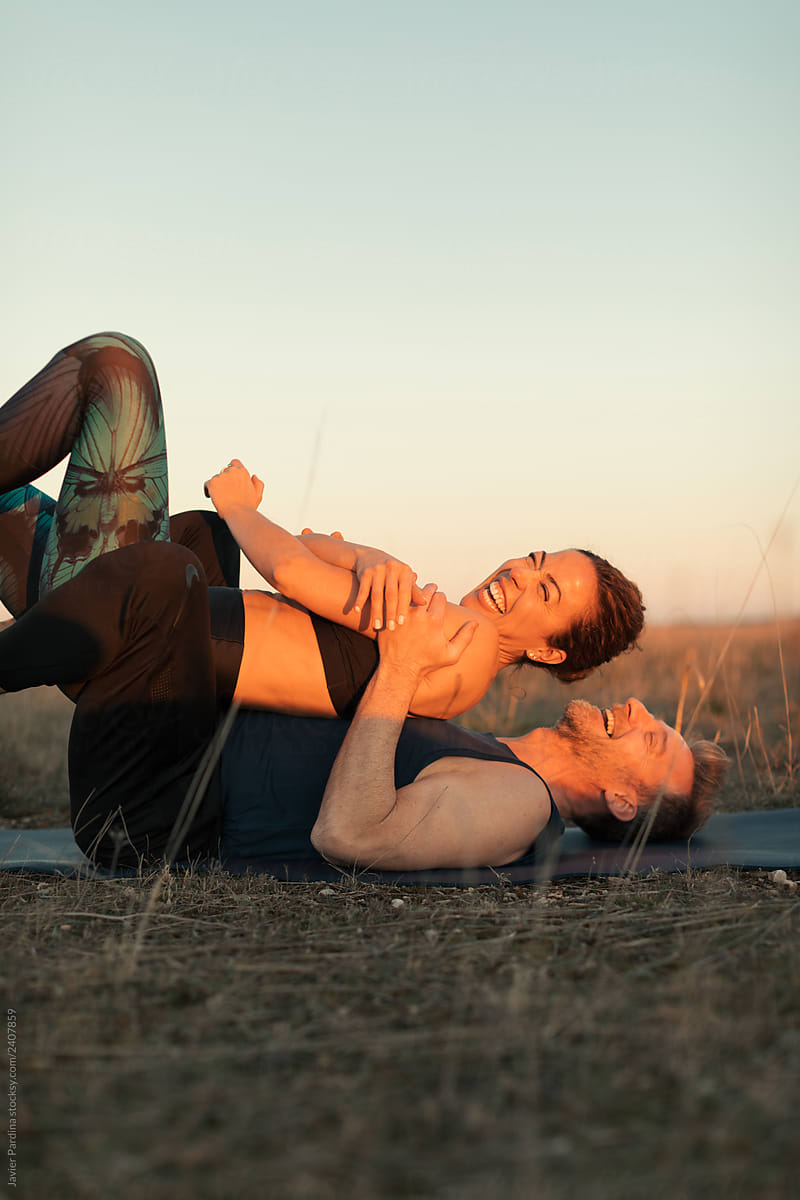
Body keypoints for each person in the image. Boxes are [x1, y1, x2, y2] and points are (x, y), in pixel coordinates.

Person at [0, 332, 645, 726]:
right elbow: (310, 546)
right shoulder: (443, 627)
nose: (520, 575)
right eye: (536, 559)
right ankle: (49, 625)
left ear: (548, 651)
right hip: (126, 632)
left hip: (133, 638)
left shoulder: (466, 642)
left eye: (546, 592)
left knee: (117, 369)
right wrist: (368, 556)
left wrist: (238, 506)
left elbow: (289, 569)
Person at [0, 540, 727, 868]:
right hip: (187, 732)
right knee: (199, 538)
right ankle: (67, 619)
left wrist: (401, 669)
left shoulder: (524, 807)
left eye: (653, 739)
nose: (634, 706)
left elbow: (350, 835)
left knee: (161, 573)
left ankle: (65, 631)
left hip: (159, 809)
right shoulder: (491, 748)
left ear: (623, 800)